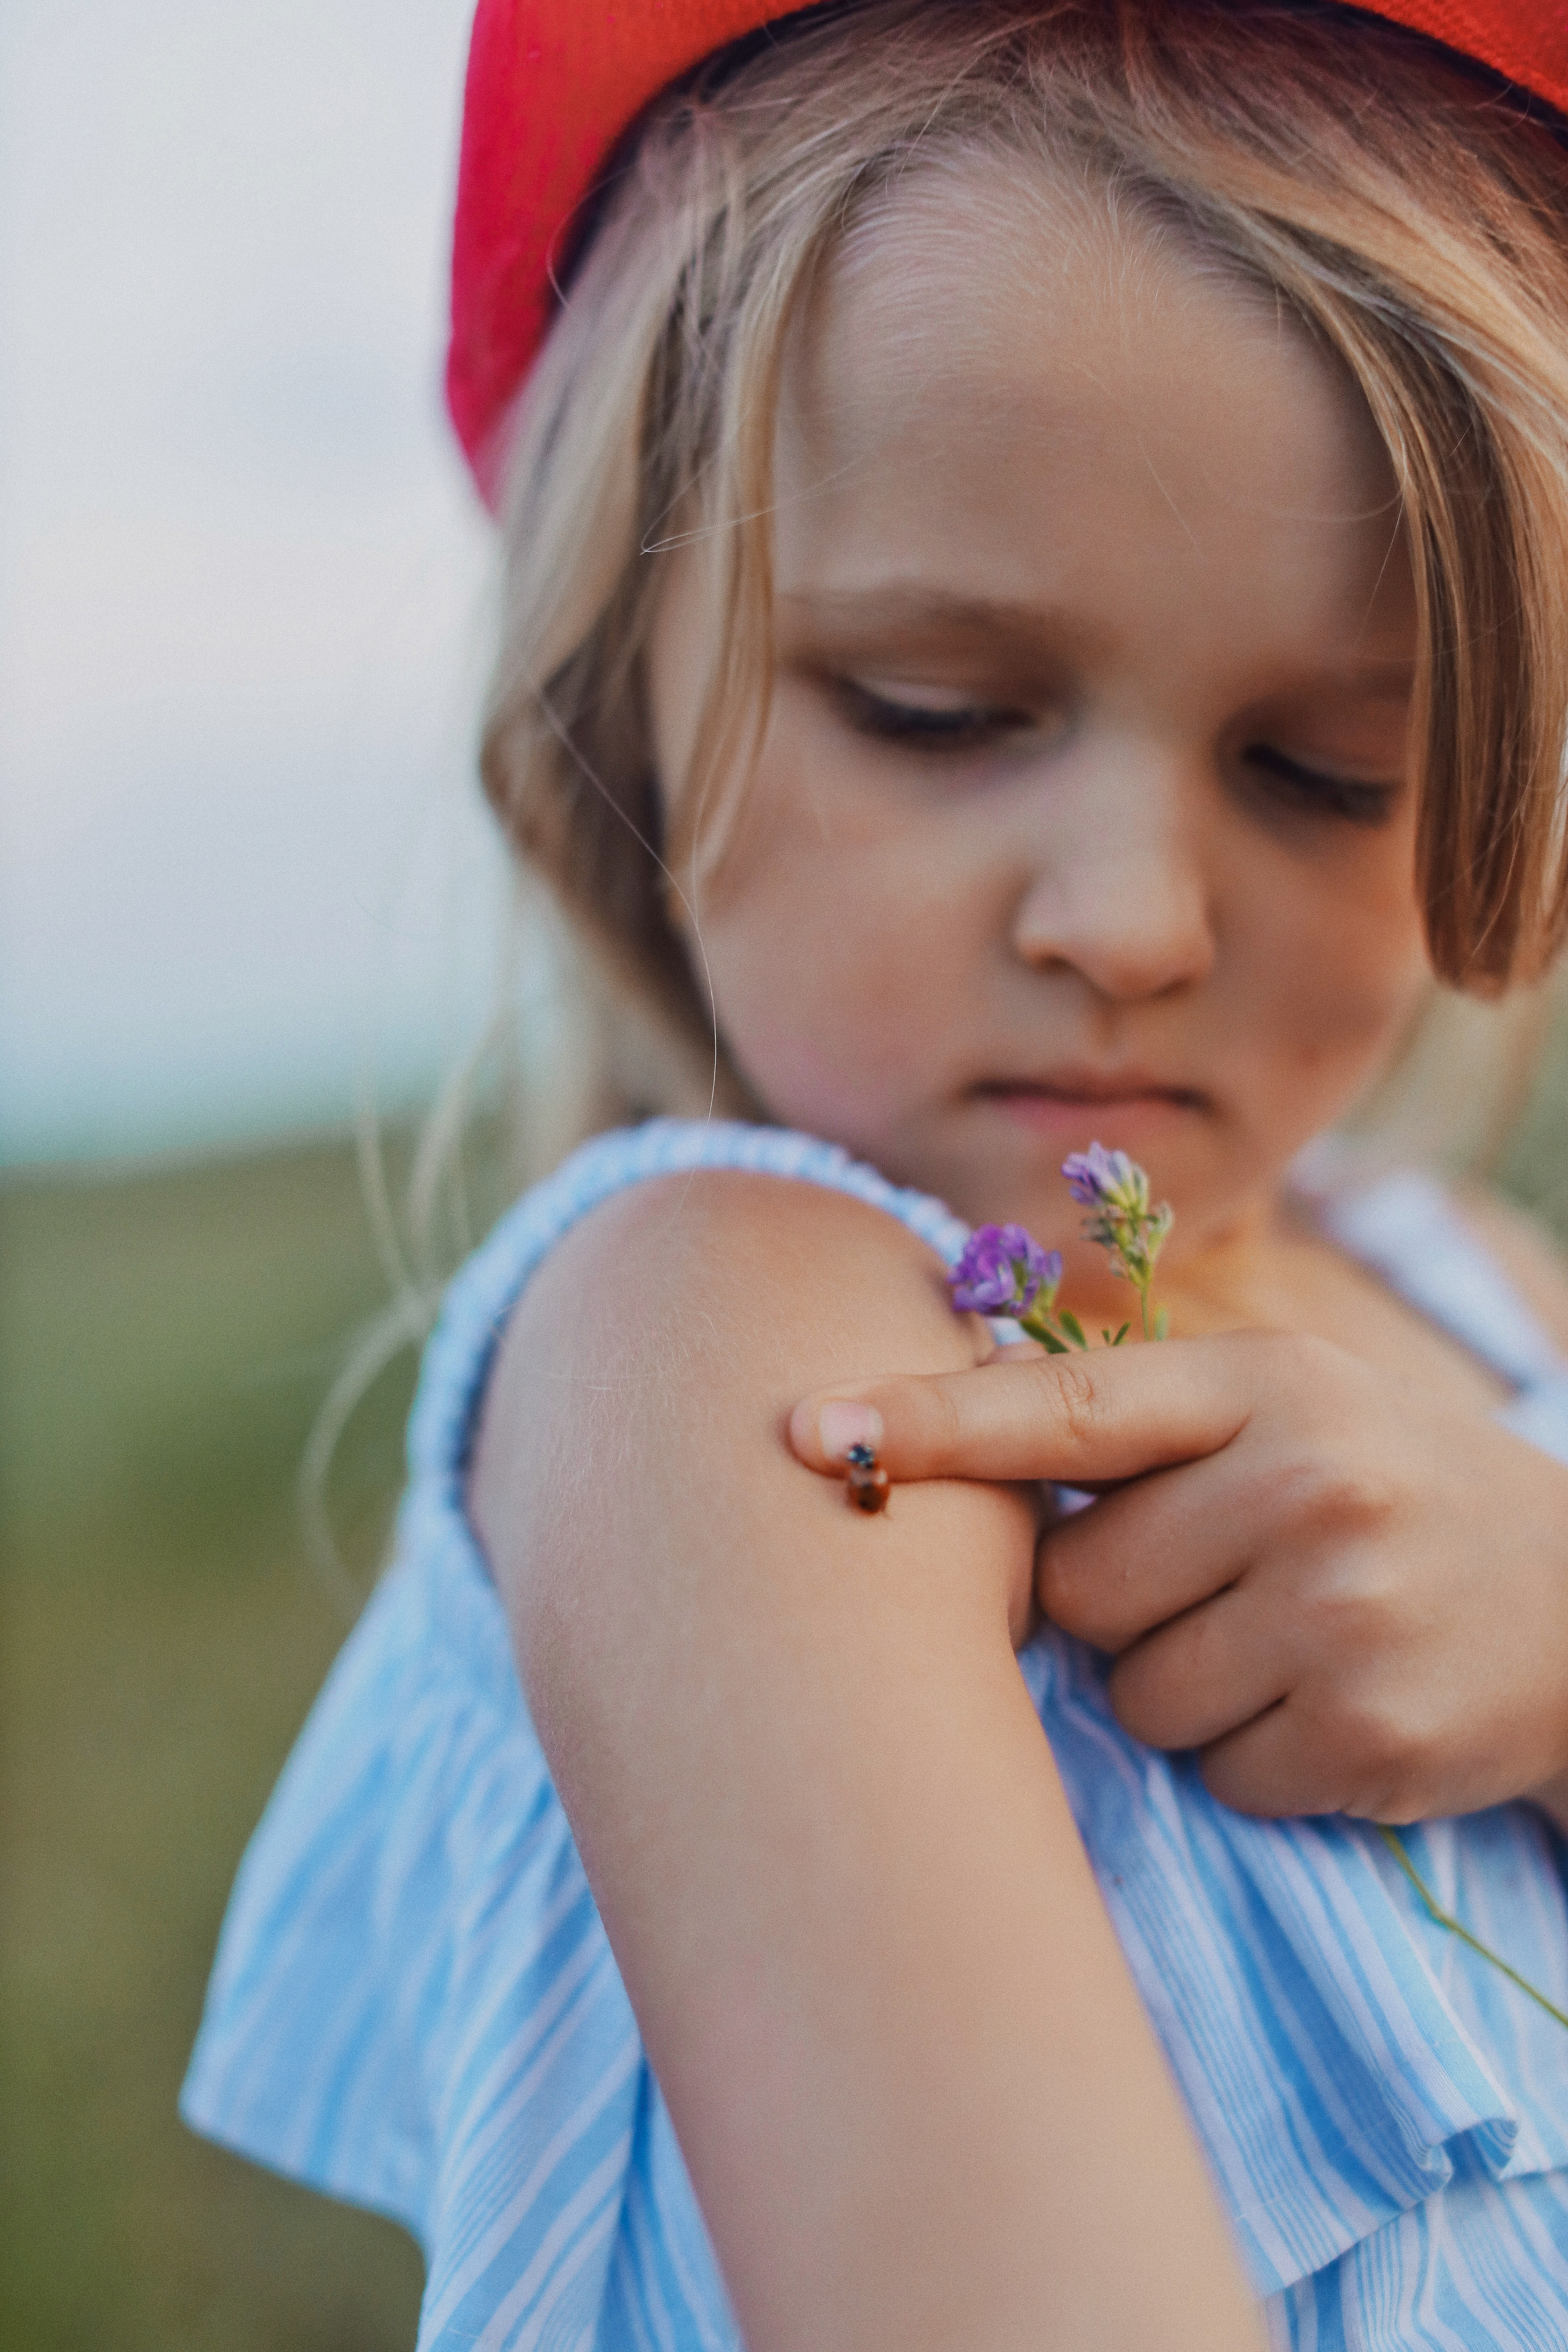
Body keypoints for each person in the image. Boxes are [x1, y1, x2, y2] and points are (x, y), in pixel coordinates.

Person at [181, 3, 1568, 2345]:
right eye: (938, 713)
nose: (1129, 921)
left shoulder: (1490, 1302)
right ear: (626, 675)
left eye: (1327, 767)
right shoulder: (731, 1329)